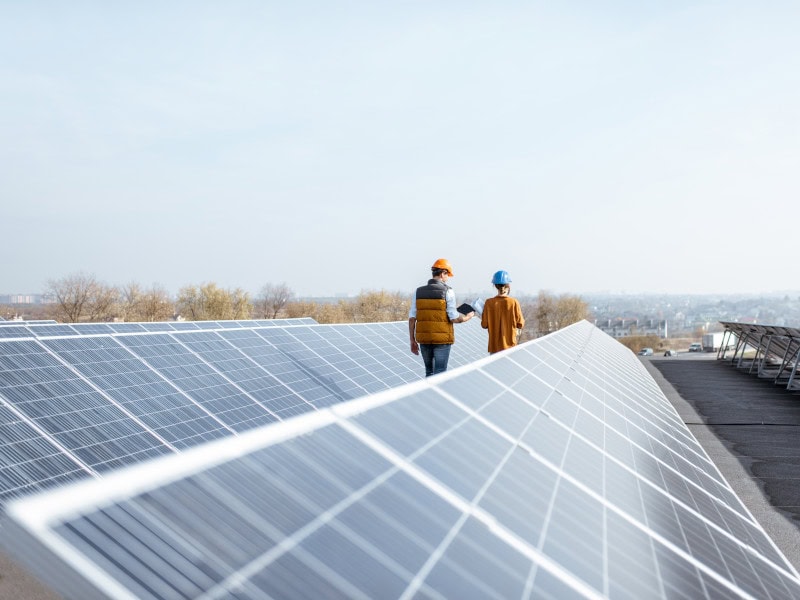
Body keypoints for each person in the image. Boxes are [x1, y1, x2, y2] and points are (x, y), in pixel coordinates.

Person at [408, 258, 474, 376]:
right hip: (442, 341)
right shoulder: (448, 291)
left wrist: (412, 340)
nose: (448, 278)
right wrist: (467, 317)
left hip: (424, 339)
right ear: (443, 273)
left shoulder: (418, 292)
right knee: (440, 374)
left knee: (429, 372)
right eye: (447, 274)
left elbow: (412, 318)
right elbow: (453, 317)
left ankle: (428, 394)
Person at [481, 270, 525, 354]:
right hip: (510, 346)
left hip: (494, 348)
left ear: (495, 286)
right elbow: (521, 324)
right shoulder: (514, 302)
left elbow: (484, 325)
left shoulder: (489, 303)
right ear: (508, 285)